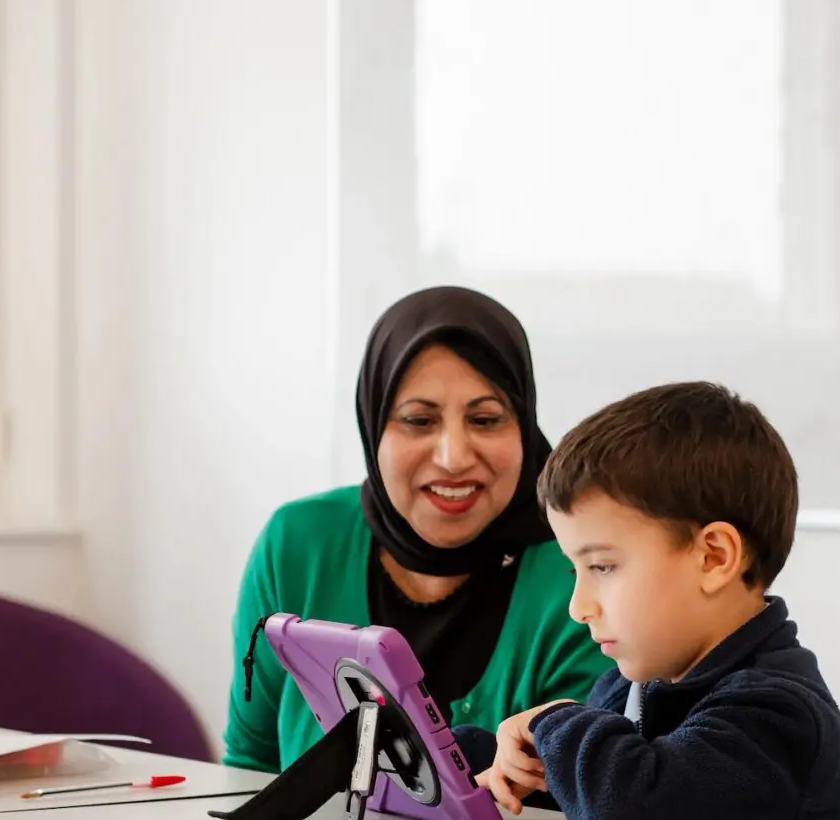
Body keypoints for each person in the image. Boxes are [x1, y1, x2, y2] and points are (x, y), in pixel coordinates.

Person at [222, 286, 613, 773]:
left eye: (486, 419)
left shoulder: (579, 567)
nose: (452, 457)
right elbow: (247, 765)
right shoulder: (298, 544)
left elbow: (578, 788)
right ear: (374, 424)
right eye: (419, 420)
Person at [470, 381, 840, 820]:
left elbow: (628, 808)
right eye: (576, 570)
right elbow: (580, 794)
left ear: (713, 558)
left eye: (602, 567)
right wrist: (487, 759)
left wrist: (551, 722)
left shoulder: (778, 713)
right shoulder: (628, 688)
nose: (578, 606)